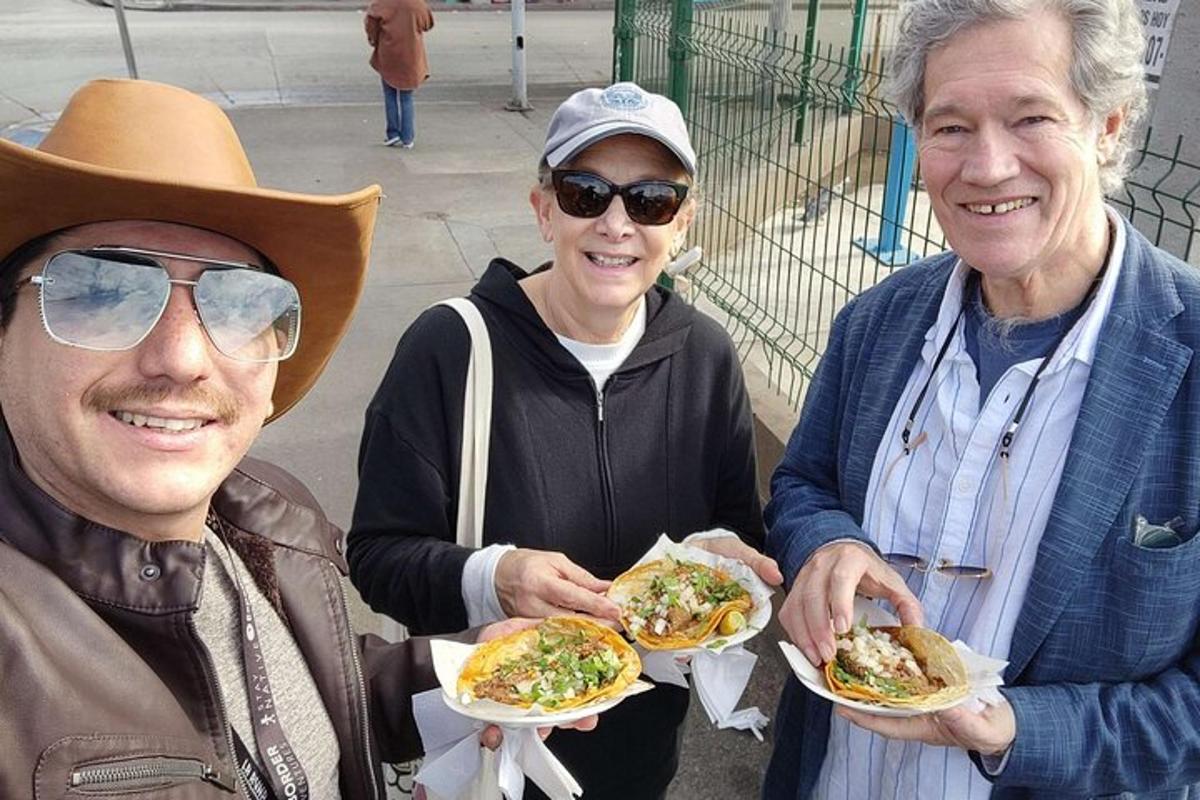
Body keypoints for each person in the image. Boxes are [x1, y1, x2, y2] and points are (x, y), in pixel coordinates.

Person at [0, 78, 590, 800]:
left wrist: (462, 670)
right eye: (100, 290)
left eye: (239, 303)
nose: (183, 358)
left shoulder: (260, 518)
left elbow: (294, 697)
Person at [764, 0, 1200, 798]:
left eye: (1031, 117)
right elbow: (802, 483)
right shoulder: (877, 323)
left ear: (1109, 125)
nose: (988, 166)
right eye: (951, 126)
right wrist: (825, 543)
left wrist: (1018, 730)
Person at [348, 81, 782, 799]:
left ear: (681, 224)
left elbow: (734, 524)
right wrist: (495, 577)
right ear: (543, 208)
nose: (617, 224)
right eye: (587, 193)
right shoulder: (451, 348)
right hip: (494, 750)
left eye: (650, 201)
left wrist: (719, 563)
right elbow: (376, 556)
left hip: (645, 751)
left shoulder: (705, 356)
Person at [365, 0, 434, 148]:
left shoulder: (381, 3)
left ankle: (393, 134)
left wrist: (374, 40)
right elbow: (427, 23)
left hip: (388, 52)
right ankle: (408, 138)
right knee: (406, 97)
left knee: (389, 94)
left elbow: (371, 22)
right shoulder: (417, 3)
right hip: (410, 54)